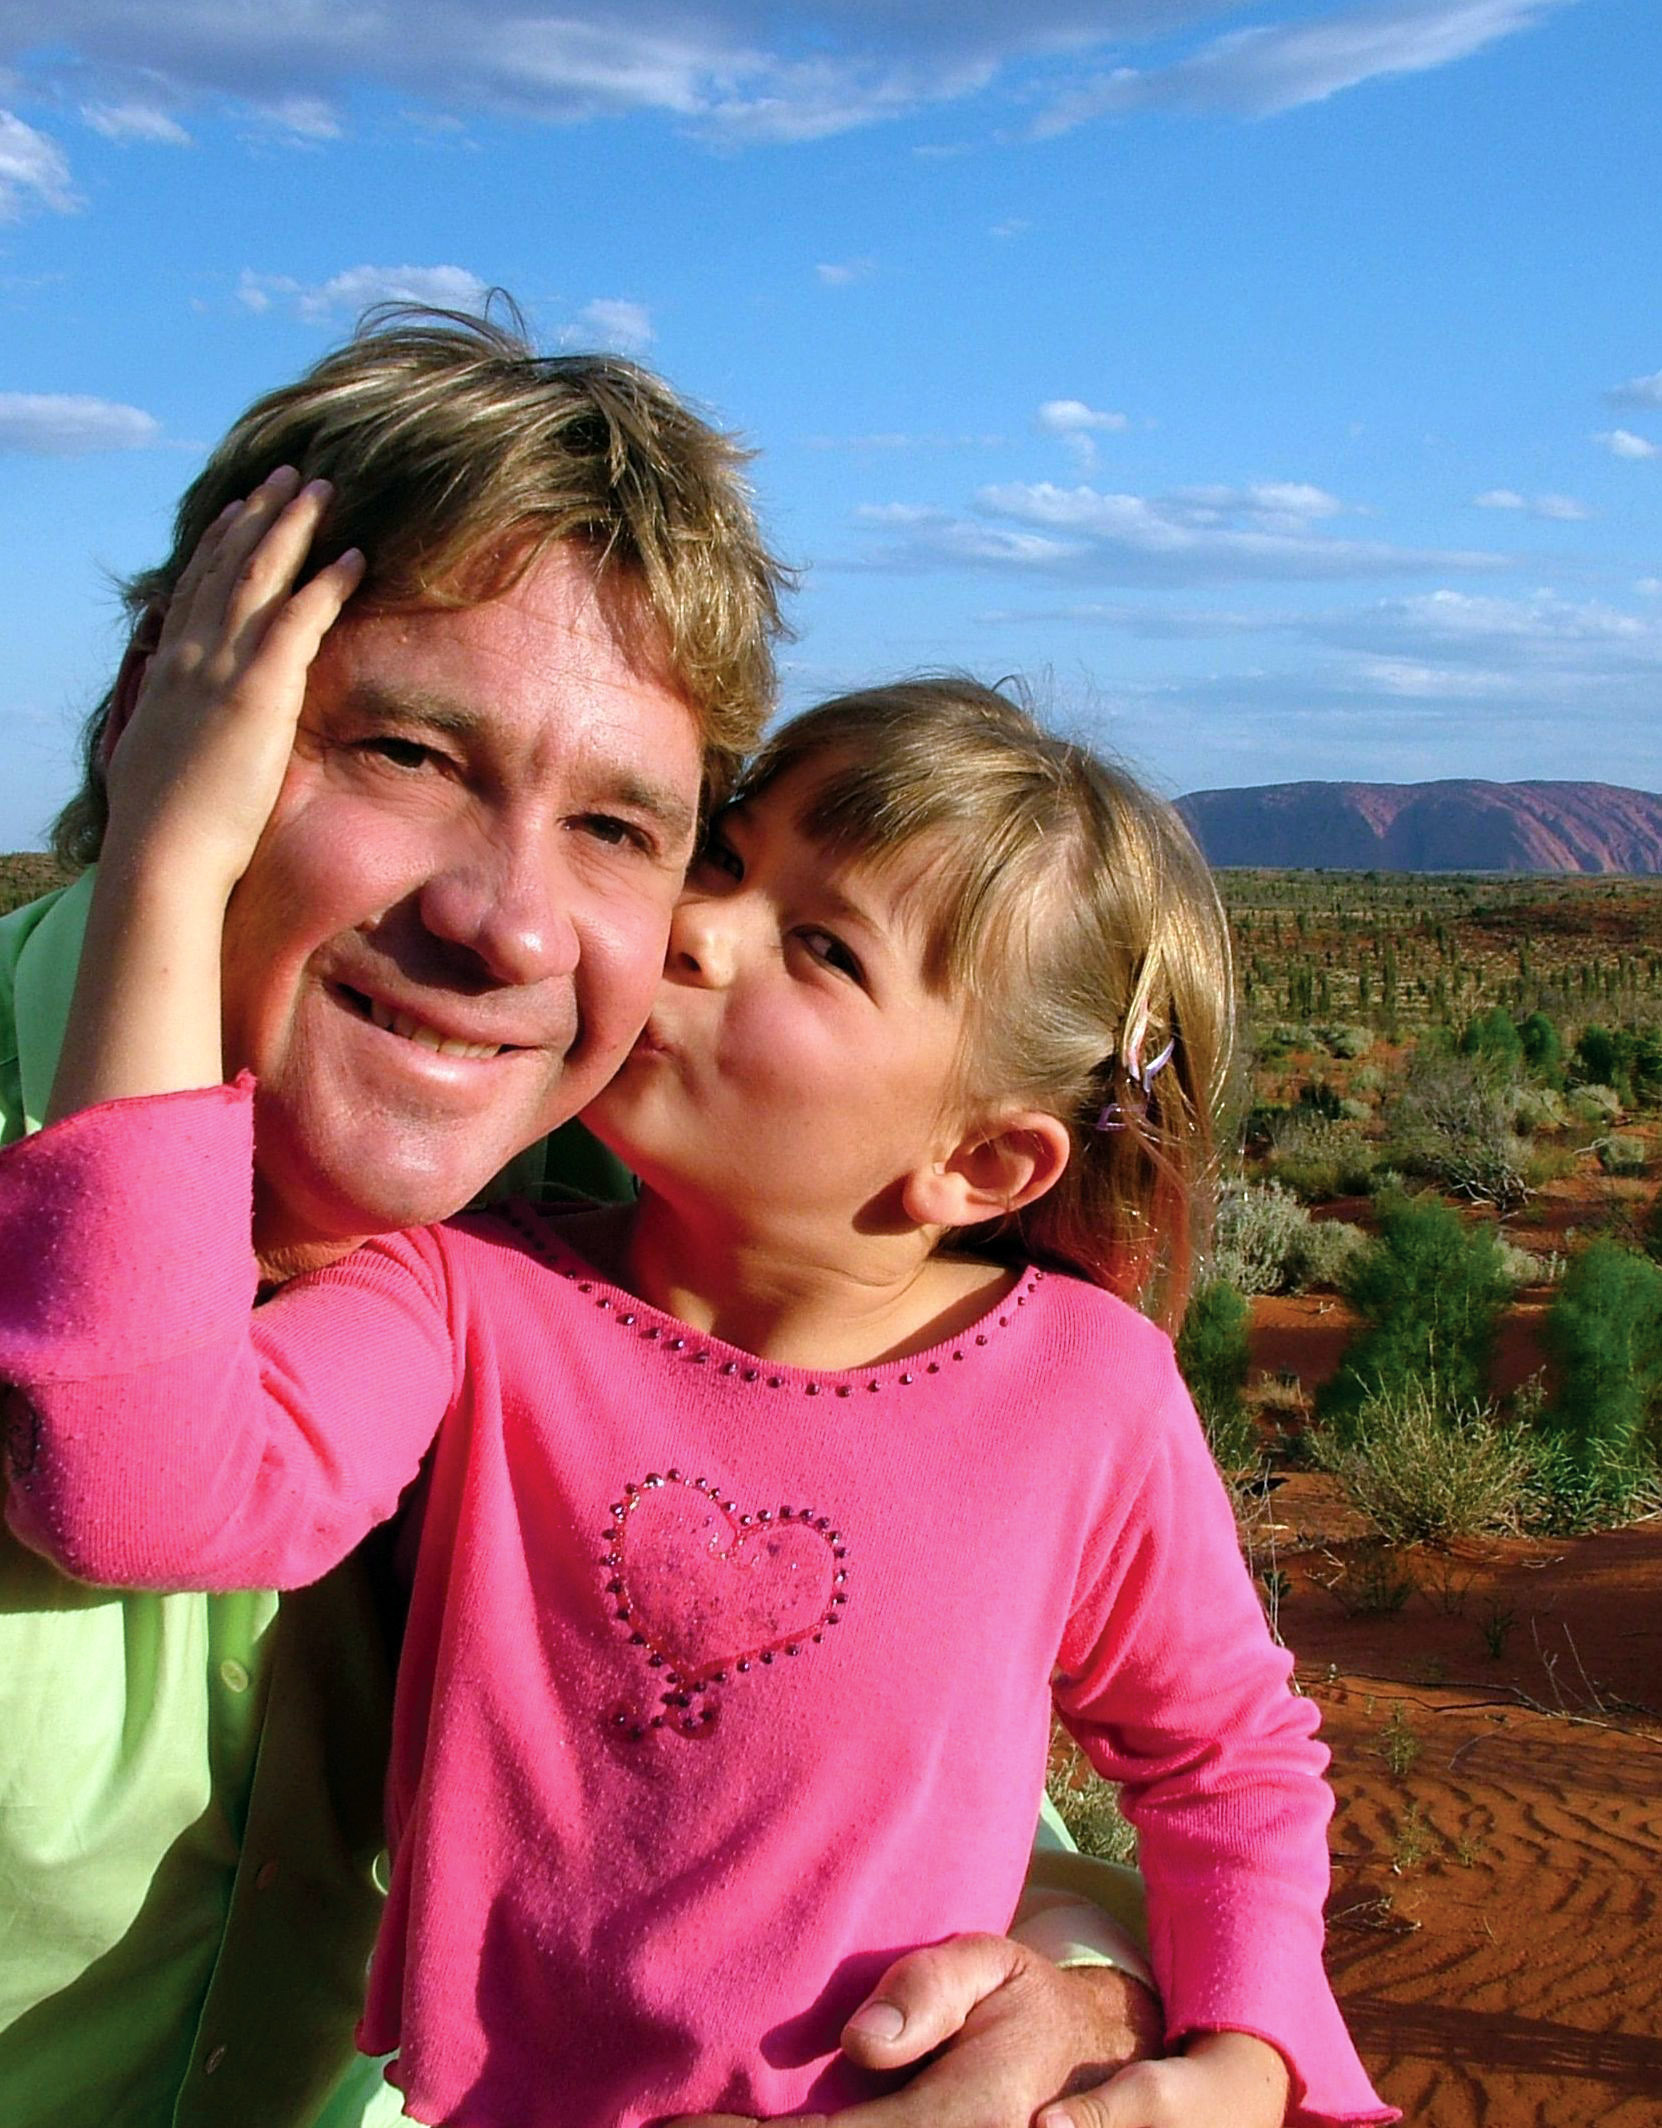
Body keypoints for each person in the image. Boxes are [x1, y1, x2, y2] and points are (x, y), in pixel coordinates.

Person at [0, 483, 1391, 2125]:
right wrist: (171, 850)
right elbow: (137, 1478)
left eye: (820, 947)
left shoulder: (1083, 1392)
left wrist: (1226, 2047)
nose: (694, 934)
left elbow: (1212, 1754)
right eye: (720, 869)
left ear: (981, 1163)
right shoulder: (480, 1294)